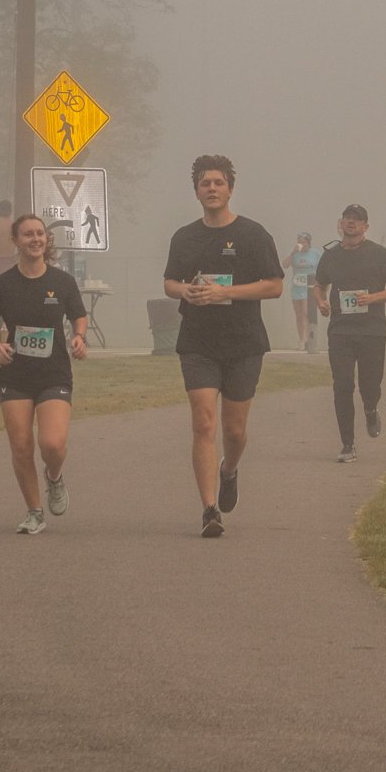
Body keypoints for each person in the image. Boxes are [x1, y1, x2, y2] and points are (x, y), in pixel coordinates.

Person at [163, 155, 283, 538]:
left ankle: (229, 469)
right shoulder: (185, 237)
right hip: (198, 342)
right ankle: (209, 509)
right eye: (204, 183)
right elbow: (169, 283)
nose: (211, 189)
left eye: (218, 182)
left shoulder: (252, 235)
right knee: (203, 422)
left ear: (230, 188)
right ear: (196, 191)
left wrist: (225, 292)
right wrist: (187, 290)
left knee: (233, 429)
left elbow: (274, 285)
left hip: (243, 342)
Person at [0, 215, 88, 536]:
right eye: (28, 235)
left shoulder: (63, 282)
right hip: (16, 375)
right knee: (22, 447)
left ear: (46, 240)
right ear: (16, 241)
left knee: (52, 443)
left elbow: (79, 315)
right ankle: (34, 511)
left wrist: (80, 337)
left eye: (40, 234)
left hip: (53, 374)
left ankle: (54, 476)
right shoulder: (3, 284)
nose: (35, 239)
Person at [314, 204, 386, 462]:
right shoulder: (330, 255)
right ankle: (347, 445)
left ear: (366, 226)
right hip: (340, 331)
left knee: (370, 384)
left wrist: (373, 298)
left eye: (357, 220)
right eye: (347, 219)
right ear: (340, 223)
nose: (351, 223)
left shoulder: (377, 253)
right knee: (342, 385)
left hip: (372, 330)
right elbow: (319, 285)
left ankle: (371, 408)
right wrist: (321, 302)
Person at [282, 232, 321, 351]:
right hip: (297, 286)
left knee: (306, 313)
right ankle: (301, 339)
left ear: (308, 243)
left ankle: (309, 339)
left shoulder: (315, 253)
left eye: (303, 242)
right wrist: (292, 253)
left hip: (309, 286)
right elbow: (285, 265)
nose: (301, 244)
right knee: (299, 315)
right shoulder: (295, 254)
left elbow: (320, 268)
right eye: (299, 242)